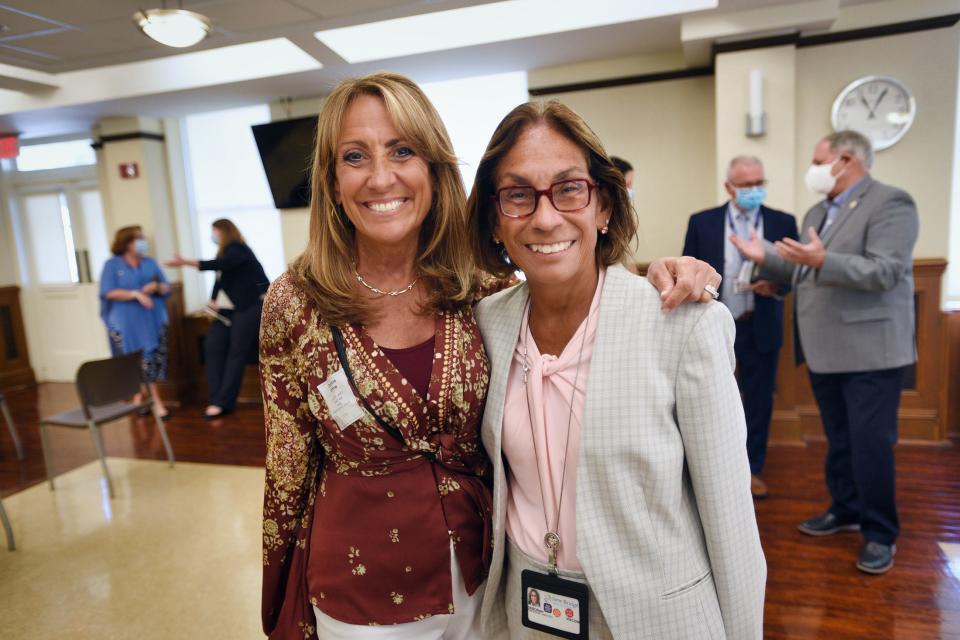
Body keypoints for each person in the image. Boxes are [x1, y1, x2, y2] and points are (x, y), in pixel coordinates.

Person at [258, 72, 720, 640]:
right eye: (355, 156)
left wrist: (656, 275)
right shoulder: (296, 301)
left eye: (402, 150)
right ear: (330, 181)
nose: (381, 177)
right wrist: (281, 601)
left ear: (434, 168)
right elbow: (287, 469)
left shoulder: (476, 286)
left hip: (484, 584)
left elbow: (562, 269)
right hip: (360, 593)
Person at [469, 100, 766, 639]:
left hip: (659, 617)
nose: (545, 216)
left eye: (569, 188)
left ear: (603, 205)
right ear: (494, 219)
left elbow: (732, 521)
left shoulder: (680, 324)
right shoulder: (484, 326)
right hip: (528, 611)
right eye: (518, 195)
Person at [731, 130, 918, 575]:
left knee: (870, 444)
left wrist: (820, 262)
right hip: (825, 348)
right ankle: (846, 508)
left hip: (872, 351)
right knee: (839, 440)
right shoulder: (819, 210)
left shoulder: (891, 202)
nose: (812, 168)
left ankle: (879, 533)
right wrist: (767, 261)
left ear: (846, 159)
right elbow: (803, 272)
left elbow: (886, 272)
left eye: (818, 160)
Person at [682, 155, 798, 499]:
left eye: (759, 183)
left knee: (759, 400)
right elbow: (689, 270)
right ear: (729, 187)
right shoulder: (703, 223)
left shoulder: (782, 222)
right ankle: (715, 469)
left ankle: (752, 469)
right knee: (714, 400)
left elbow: (795, 274)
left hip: (760, 323)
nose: (754, 190)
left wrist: (776, 286)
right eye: (746, 185)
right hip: (716, 327)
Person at [165, 219, 269, 419]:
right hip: (228, 309)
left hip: (250, 307)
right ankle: (216, 398)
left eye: (215, 232)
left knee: (236, 353)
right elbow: (221, 278)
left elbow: (220, 265)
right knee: (212, 345)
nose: (213, 236)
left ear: (224, 232)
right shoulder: (224, 252)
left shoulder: (238, 249)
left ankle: (223, 402)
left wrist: (186, 262)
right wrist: (212, 301)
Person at [99, 225, 172, 418]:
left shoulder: (150, 263)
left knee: (153, 360)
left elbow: (166, 287)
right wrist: (135, 294)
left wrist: (155, 286)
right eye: (138, 238)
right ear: (126, 242)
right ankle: (155, 400)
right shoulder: (112, 265)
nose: (143, 241)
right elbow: (108, 291)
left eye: (143, 237)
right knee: (137, 361)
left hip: (152, 319)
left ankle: (141, 396)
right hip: (125, 322)